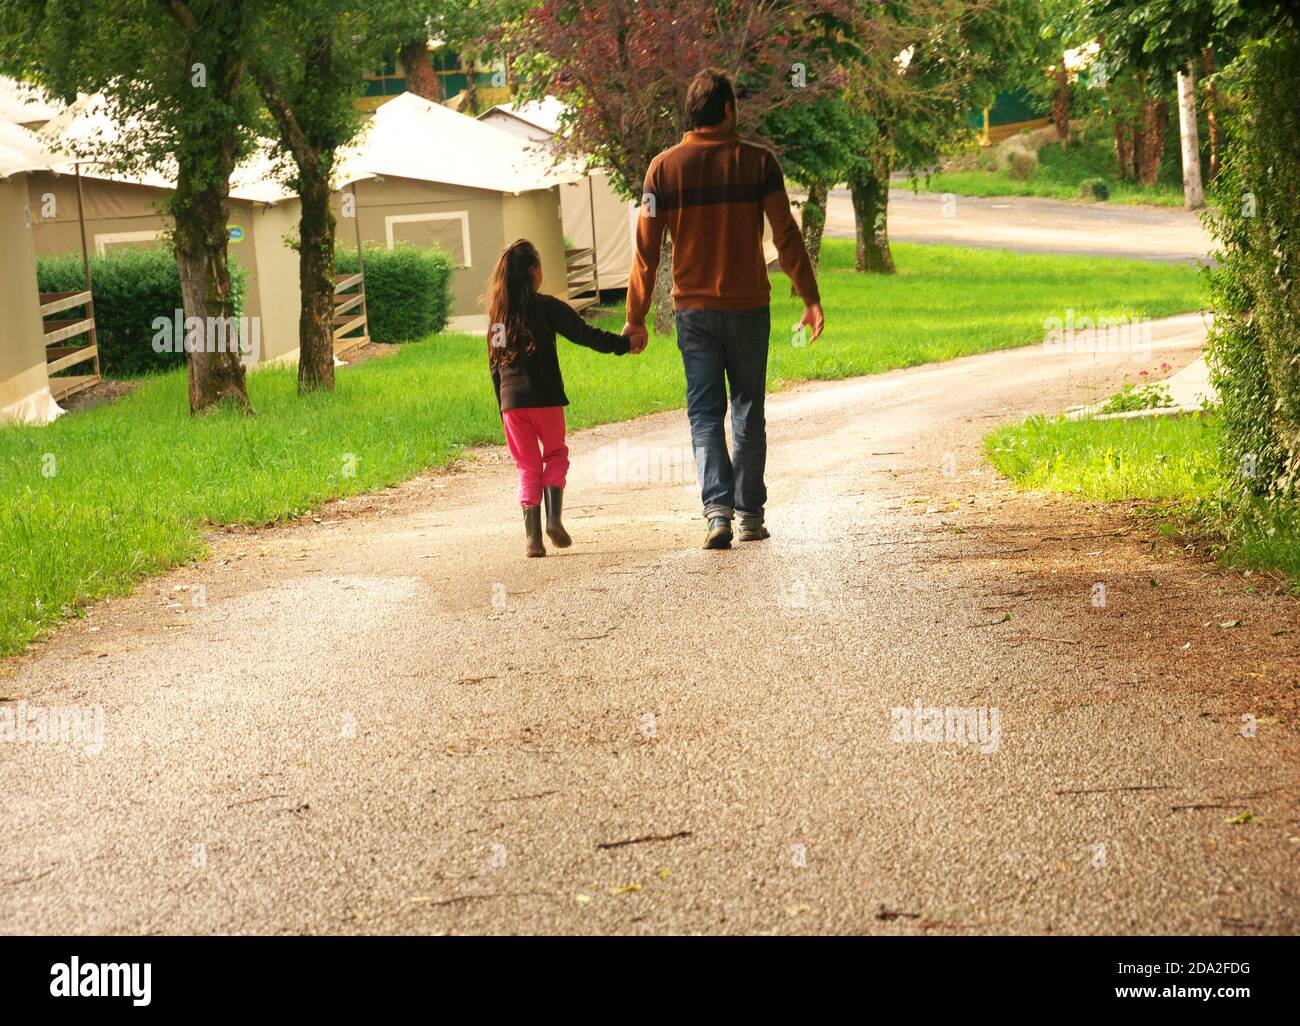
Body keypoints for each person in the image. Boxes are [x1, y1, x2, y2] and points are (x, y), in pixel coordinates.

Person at [623, 68, 825, 550]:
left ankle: (718, 513)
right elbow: (785, 233)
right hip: (749, 307)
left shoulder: (662, 170)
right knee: (748, 408)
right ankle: (750, 514)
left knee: (705, 414)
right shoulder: (759, 163)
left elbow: (646, 251)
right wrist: (810, 297)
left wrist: (634, 316)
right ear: (729, 110)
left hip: (693, 313)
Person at [486, 239, 635, 557]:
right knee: (555, 454)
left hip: (512, 405)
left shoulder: (499, 318)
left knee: (527, 465)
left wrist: (503, 406)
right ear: (535, 272)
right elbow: (584, 334)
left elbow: (494, 365)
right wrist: (623, 344)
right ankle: (554, 518)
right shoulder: (547, 307)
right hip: (547, 400)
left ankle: (533, 540)